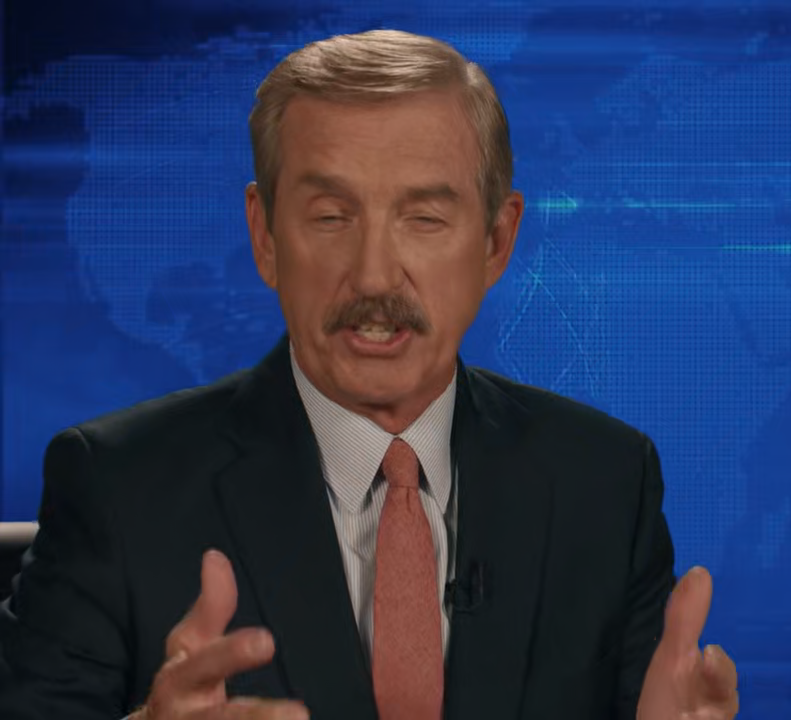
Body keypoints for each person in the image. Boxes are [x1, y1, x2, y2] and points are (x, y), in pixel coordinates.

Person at [0, 29, 739, 720]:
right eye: (331, 216)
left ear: (496, 241)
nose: (376, 276)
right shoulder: (117, 489)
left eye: (424, 218)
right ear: (264, 235)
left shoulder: (606, 486)